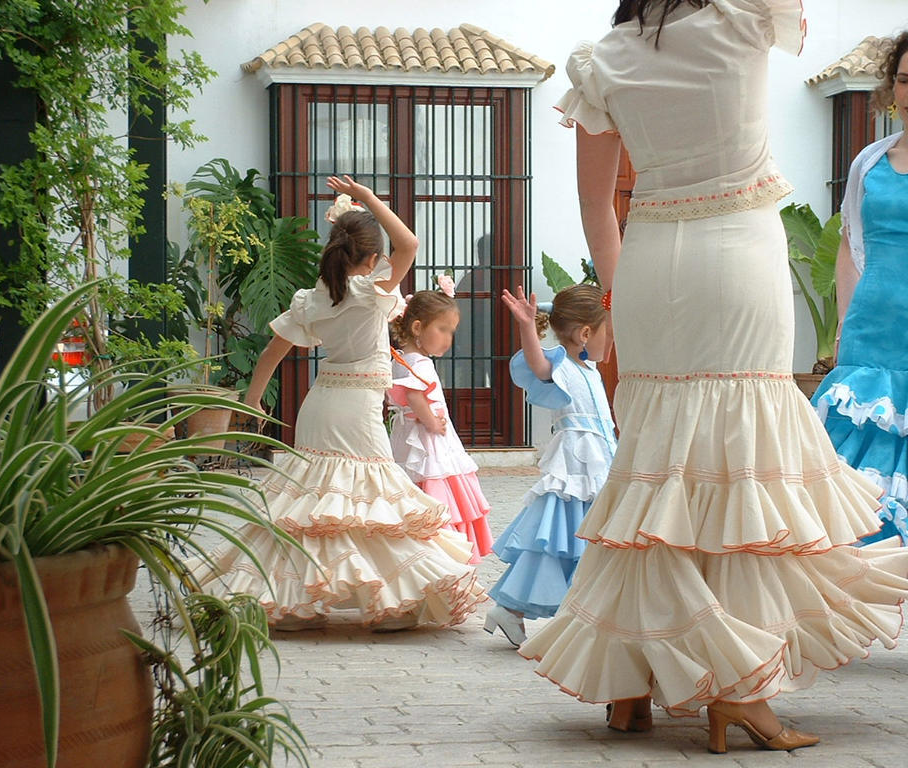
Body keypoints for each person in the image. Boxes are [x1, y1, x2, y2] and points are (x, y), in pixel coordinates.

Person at [518, 0, 908, 754]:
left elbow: (598, 205)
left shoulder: (604, 58)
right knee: (738, 467)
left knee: (654, 468)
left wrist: (623, 297)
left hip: (651, 261)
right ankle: (742, 691)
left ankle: (629, 686)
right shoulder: (745, 18)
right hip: (738, 251)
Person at [189, 176, 486, 632]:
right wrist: (369, 198)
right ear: (370, 258)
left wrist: (251, 404)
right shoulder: (371, 293)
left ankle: (293, 604)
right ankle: (390, 602)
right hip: (357, 409)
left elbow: (271, 354)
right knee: (369, 504)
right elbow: (409, 241)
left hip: (320, 404)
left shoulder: (314, 299)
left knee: (313, 507)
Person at [812, 31, 908, 545]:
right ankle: (866, 595)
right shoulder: (868, 161)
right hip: (871, 332)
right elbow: (850, 243)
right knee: (852, 479)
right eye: (904, 79)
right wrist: (847, 322)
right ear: (891, 87)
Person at [484, 284, 616, 648]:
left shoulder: (588, 369)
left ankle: (518, 610)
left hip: (599, 462)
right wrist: (527, 326)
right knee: (562, 538)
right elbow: (538, 366)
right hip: (576, 466)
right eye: (609, 333)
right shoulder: (561, 364)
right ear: (586, 333)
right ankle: (518, 610)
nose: (611, 342)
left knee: (573, 540)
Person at [388, 288, 495, 564]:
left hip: (408, 435)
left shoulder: (400, 359)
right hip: (426, 438)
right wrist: (432, 421)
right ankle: (442, 545)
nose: (449, 338)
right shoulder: (419, 362)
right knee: (435, 481)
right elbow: (414, 395)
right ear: (417, 327)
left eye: (452, 331)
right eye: (443, 329)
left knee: (414, 481)